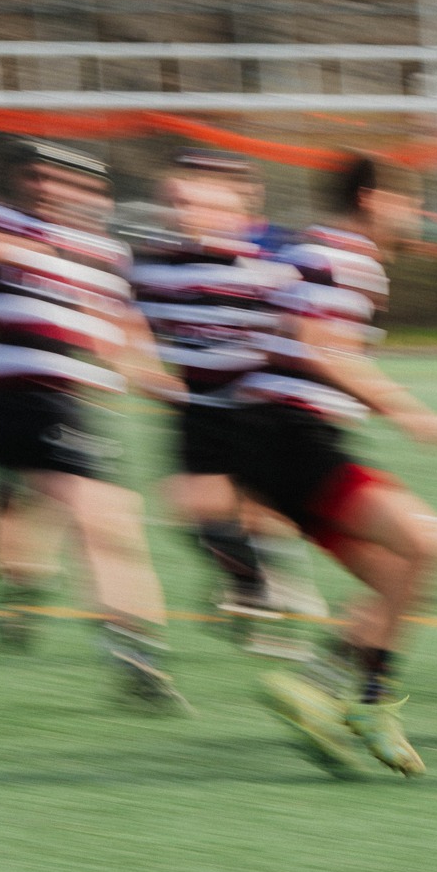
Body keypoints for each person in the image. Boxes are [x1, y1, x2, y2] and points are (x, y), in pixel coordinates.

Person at [0, 140, 187, 707]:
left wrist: (153, 375)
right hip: (0, 399)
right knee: (10, 516)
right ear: (19, 180)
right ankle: (21, 583)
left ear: (93, 194)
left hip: (65, 400)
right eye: (35, 176)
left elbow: (125, 325)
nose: (46, 188)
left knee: (102, 513)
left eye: (62, 180)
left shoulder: (105, 254)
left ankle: (133, 644)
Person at [233, 156, 437, 778]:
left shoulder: (308, 250)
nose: (412, 215)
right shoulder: (347, 257)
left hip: (270, 443)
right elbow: (315, 346)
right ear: (372, 198)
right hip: (292, 438)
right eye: (406, 201)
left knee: (395, 575)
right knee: (432, 548)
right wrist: (406, 410)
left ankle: (322, 688)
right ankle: (366, 703)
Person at [128, 171, 301, 650]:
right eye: (177, 203)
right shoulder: (157, 268)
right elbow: (129, 321)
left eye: (197, 204)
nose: (184, 213)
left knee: (255, 507)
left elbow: (300, 335)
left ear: (238, 217)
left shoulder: (272, 270)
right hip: (196, 405)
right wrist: (144, 367)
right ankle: (257, 581)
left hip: (254, 408)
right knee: (191, 512)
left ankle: (259, 587)